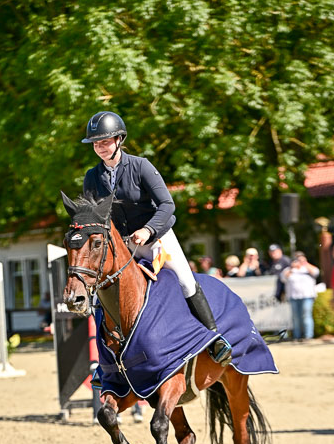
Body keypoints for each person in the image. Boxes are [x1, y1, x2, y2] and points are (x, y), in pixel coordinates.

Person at [81, 111, 231, 364]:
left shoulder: (141, 166)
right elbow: (94, 216)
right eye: (96, 143)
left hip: (156, 236)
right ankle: (105, 361)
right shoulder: (92, 177)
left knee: (185, 280)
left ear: (119, 139)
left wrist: (148, 230)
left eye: (105, 141)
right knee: (100, 291)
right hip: (123, 245)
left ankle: (214, 338)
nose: (100, 147)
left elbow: (167, 204)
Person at [280, 251, 320, 341]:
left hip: (307, 296)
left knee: (306, 315)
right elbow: (283, 278)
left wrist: (305, 263)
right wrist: (292, 267)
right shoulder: (289, 269)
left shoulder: (307, 268)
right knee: (296, 317)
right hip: (293, 296)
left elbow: (316, 272)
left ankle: (308, 336)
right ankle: (297, 336)